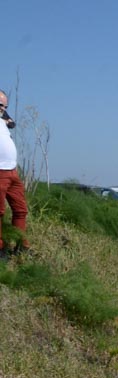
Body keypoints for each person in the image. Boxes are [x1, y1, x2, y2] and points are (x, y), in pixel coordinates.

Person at [0, 89, 29, 258]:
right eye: (0, 105)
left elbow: (12, 124)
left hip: (12, 172)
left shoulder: (3, 120)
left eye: (5, 105)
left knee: (20, 209)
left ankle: (21, 247)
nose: (3, 108)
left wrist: (4, 113)